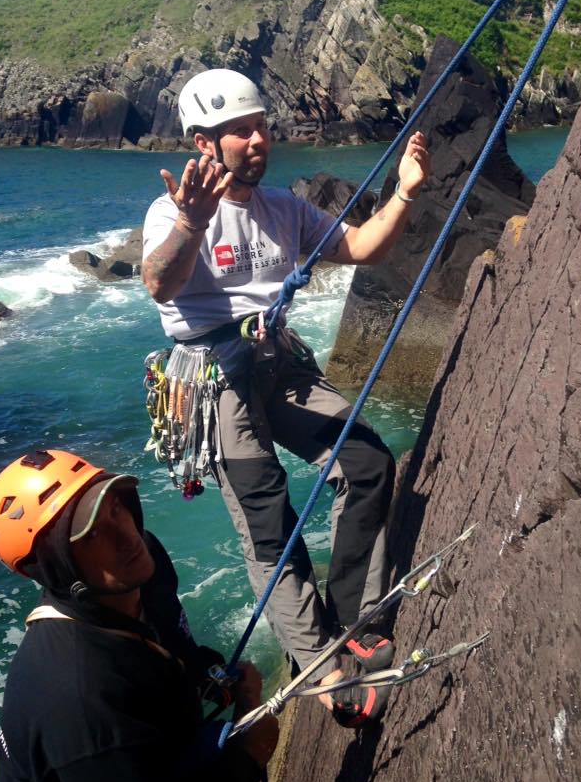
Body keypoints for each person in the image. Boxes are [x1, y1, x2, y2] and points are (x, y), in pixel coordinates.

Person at [142, 69, 431, 727]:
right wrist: (191, 221)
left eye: (260, 126)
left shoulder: (282, 208)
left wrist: (405, 194)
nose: (255, 139)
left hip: (275, 362)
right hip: (214, 379)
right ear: (201, 144)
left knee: (367, 462)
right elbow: (159, 282)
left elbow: (360, 248)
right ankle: (321, 667)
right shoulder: (171, 211)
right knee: (269, 523)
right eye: (238, 130)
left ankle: (359, 611)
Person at [0, 447, 278, 782]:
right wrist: (249, 753)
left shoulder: (137, 567)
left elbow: (170, 634)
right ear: (52, 568)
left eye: (116, 507)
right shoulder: (82, 703)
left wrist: (206, 676)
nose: (125, 535)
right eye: (91, 535)